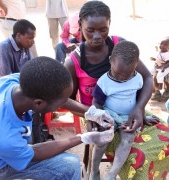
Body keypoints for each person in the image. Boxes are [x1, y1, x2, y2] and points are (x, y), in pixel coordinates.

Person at [62, 1, 169, 179]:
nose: (97, 36)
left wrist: (139, 108)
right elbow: (66, 100)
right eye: (90, 30)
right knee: (138, 158)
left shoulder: (121, 46)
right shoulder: (73, 62)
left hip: (130, 110)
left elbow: (148, 77)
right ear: (80, 25)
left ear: (110, 23)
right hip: (93, 114)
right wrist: (93, 115)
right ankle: (95, 171)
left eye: (103, 29)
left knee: (164, 138)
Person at [0, 56, 115, 179]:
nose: (64, 103)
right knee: (68, 166)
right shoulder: (4, 137)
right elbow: (34, 153)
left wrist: (92, 112)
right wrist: (83, 138)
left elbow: (56, 95)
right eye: (61, 103)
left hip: (2, 147)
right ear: (38, 103)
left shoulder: (11, 83)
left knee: (67, 163)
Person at [85, 40, 143, 179]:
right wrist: (100, 118)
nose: (122, 77)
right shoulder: (104, 81)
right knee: (102, 140)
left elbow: (140, 102)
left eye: (127, 74)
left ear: (137, 64)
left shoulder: (138, 79)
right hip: (108, 115)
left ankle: (111, 174)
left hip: (127, 117)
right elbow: (96, 103)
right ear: (111, 60)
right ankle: (94, 170)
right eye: (118, 73)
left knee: (128, 139)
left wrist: (142, 115)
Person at [0, 19, 36, 83]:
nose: (33, 42)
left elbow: (30, 68)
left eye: (33, 38)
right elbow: (6, 79)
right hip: (1, 88)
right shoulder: (4, 49)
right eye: (30, 38)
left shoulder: (25, 46)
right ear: (19, 36)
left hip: (17, 82)